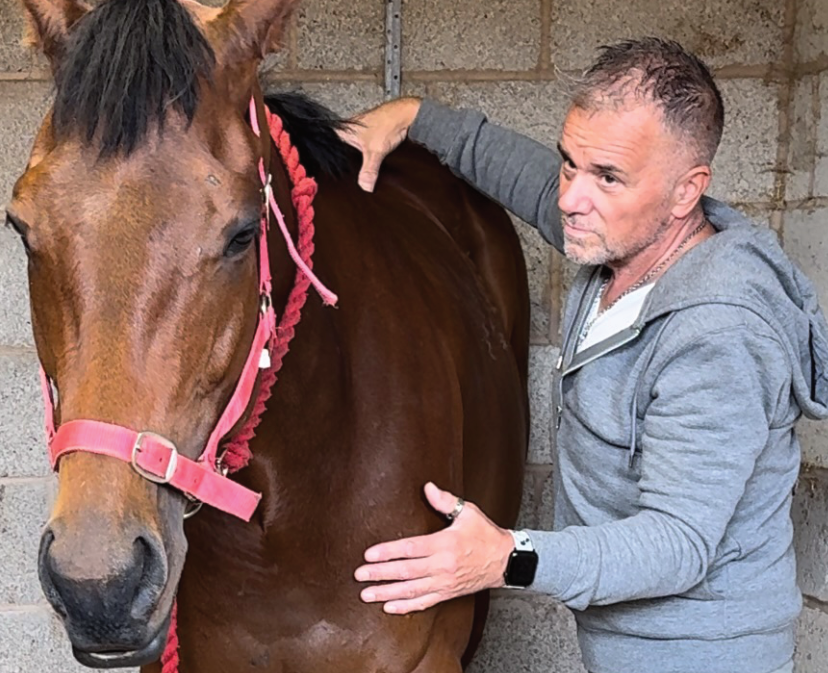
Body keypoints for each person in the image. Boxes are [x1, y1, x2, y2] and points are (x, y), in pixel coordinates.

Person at [338, 37, 828, 673]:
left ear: (687, 192)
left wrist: (503, 557)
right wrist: (412, 116)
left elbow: (678, 543)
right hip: (630, 648)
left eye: (606, 177)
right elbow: (526, 175)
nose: (570, 197)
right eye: (572, 163)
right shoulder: (621, 234)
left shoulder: (718, 335)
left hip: (702, 657)